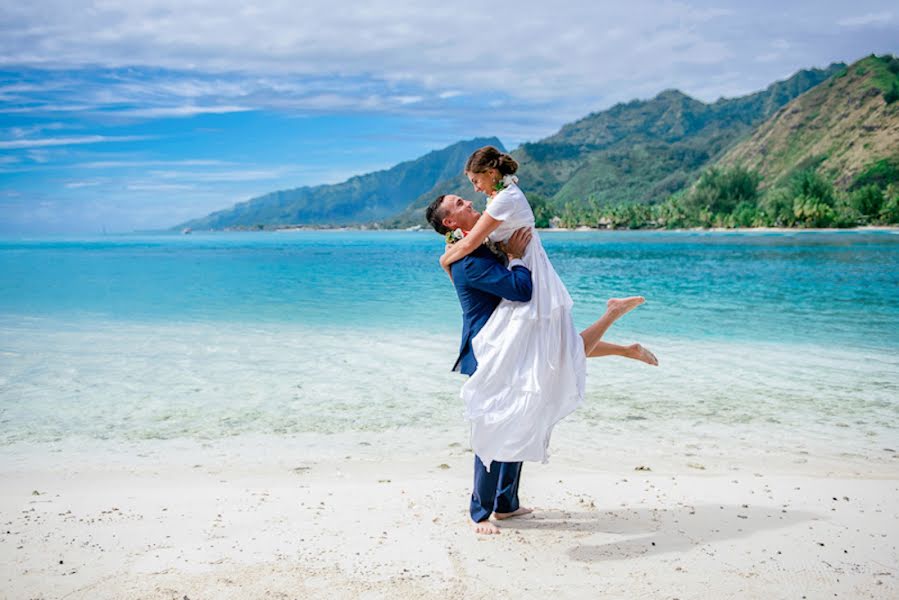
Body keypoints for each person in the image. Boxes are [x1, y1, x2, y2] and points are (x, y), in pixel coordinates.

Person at [426, 192, 656, 534]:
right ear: (449, 223)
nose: (469, 203)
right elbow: (520, 290)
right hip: (490, 349)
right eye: (459, 204)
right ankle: (481, 512)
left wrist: (507, 251)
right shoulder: (469, 260)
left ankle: (506, 504)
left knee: (524, 410)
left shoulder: (472, 247)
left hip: (512, 339)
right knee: (493, 424)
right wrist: (517, 258)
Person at [437, 146, 657, 469]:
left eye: (475, 180)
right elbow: (474, 241)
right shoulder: (500, 196)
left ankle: (614, 320)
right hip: (528, 270)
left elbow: (470, 244)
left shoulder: (505, 199)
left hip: (530, 274)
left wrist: (445, 261)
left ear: (491, 173)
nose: (474, 190)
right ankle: (623, 338)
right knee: (556, 350)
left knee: (556, 352)